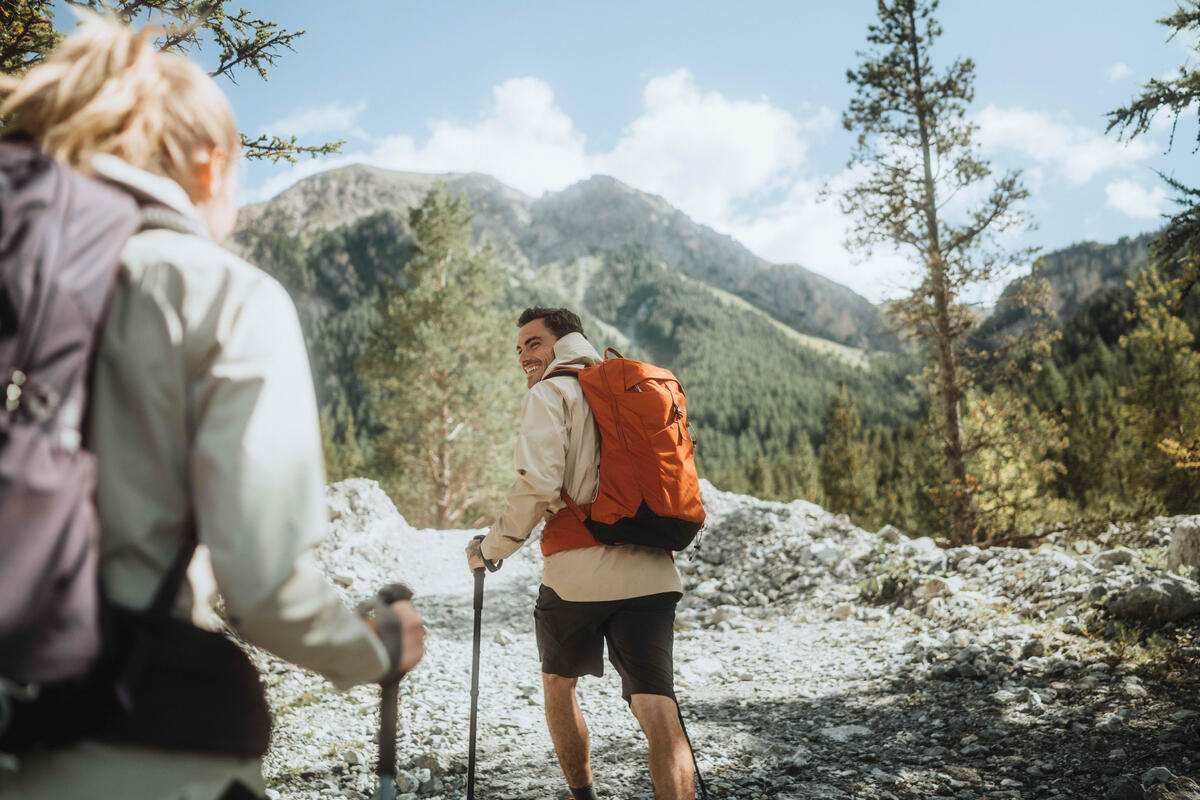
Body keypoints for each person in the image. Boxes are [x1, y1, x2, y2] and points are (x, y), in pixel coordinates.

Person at [0, 17, 424, 800]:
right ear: (210, 166)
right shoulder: (216, 291)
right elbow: (261, 589)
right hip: (139, 743)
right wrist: (375, 651)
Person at [465, 307, 695, 800]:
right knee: (658, 706)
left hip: (576, 575)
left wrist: (492, 547)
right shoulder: (631, 391)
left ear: (565, 340)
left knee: (558, 683)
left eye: (533, 342)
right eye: (520, 348)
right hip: (653, 572)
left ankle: (583, 795)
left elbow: (538, 484)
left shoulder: (553, 391)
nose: (525, 355)